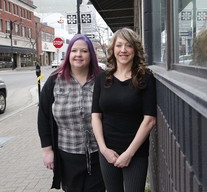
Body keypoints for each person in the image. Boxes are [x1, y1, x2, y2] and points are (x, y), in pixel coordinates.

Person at [91, 27, 157, 192]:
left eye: (128, 45)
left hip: (136, 152)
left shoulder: (146, 78)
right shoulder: (102, 78)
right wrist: (103, 149)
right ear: (113, 49)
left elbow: (149, 120)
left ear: (135, 49)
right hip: (108, 151)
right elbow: (96, 116)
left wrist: (129, 153)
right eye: (119, 45)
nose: (123, 50)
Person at [37, 34, 105, 191]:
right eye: (74, 50)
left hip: (99, 153)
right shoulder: (55, 80)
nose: (78, 55)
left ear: (91, 55)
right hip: (67, 154)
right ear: (68, 54)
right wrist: (47, 150)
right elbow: (43, 117)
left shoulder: (102, 79)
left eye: (84, 51)